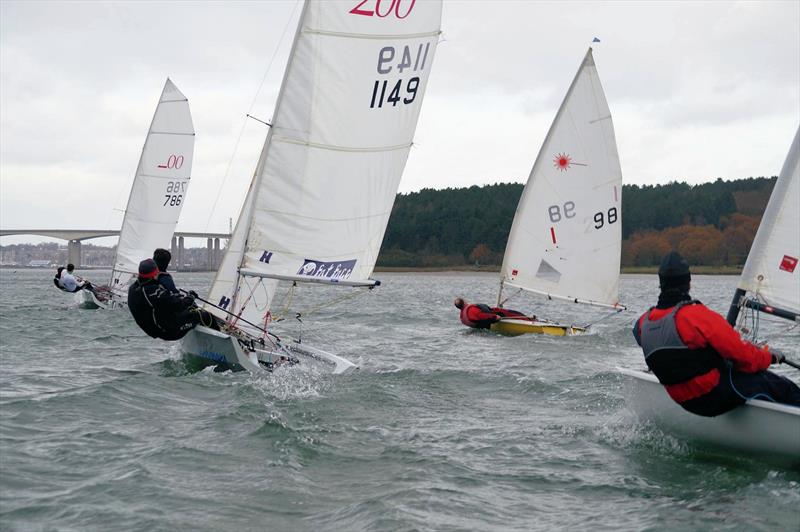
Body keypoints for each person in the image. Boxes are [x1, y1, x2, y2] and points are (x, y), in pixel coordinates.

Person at [632, 251, 800, 416]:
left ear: (661, 283)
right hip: (712, 397)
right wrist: (768, 357)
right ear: (688, 282)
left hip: (681, 399)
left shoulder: (642, 324)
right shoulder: (697, 316)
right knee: (778, 385)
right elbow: (744, 357)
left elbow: (667, 348)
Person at [128, 258, 218, 341]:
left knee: (191, 310)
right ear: (154, 273)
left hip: (156, 328)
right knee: (203, 315)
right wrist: (190, 297)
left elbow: (165, 302)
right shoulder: (152, 292)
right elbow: (178, 306)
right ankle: (220, 341)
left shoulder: (134, 288)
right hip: (168, 331)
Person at [454, 297, 531, 329]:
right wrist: (495, 317)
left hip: (485, 325)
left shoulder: (462, 316)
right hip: (494, 315)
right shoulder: (470, 309)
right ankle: (529, 320)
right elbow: (481, 315)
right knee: (511, 313)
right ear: (464, 302)